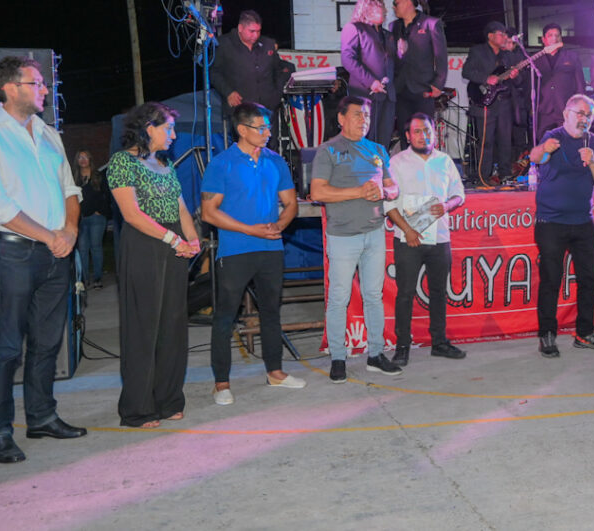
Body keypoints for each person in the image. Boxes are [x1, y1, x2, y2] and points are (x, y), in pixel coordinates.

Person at [0, 55, 87, 463]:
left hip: (55, 253)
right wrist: (52, 236)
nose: (45, 89)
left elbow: (70, 189)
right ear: (10, 88)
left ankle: (42, 416)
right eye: (37, 83)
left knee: (48, 343)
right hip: (11, 253)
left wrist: (70, 232)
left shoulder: (48, 134)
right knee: (7, 347)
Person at [201, 102, 304, 406]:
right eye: (261, 128)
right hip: (236, 251)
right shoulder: (222, 163)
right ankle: (221, 383)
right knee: (226, 316)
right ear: (242, 130)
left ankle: (275, 372)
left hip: (271, 249)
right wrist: (250, 230)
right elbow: (209, 212)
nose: (267, 133)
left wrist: (279, 226)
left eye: (268, 127)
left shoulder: (276, 161)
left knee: (271, 312)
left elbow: (291, 203)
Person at [107, 102, 201, 428]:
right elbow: (132, 214)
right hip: (145, 245)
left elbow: (181, 208)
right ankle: (138, 408)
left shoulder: (165, 164)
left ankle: (168, 400)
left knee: (172, 325)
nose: (173, 135)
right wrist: (175, 240)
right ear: (149, 128)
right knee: (144, 326)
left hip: (173, 244)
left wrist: (193, 240)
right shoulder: (122, 162)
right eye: (169, 128)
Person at [310, 96, 403, 382]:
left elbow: (393, 188)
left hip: (374, 233)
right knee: (339, 298)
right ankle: (338, 358)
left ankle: (376, 354)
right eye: (357, 114)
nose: (364, 120)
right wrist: (359, 192)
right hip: (343, 237)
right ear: (341, 118)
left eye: (367, 115)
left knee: (374, 296)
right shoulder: (328, 150)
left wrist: (384, 192)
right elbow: (318, 192)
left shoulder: (377, 150)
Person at [529, 94, 594, 357]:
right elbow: (535, 157)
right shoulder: (553, 136)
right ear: (566, 113)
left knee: (589, 279)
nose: (584, 119)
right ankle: (547, 335)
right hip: (551, 222)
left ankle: (584, 333)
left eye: (589, 115)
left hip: (582, 221)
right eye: (580, 113)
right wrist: (545, 149)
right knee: (551, 280)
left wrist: (592, 161)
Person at [383, 113, 467, 366]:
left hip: (439, 237)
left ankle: (439, 342)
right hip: (408, 238)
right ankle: (402, 346)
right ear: (408, 136)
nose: (423, 136)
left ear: (434, 133)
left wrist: (448, 205)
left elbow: (459, 194)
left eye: (427, 131)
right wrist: (407, 230)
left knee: (439, 291)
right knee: (406, 293)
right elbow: (389, 203)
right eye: (417, 131)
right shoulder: (396, 163)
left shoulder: (444, 161)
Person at [210, 10, 295, 149]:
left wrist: (277, 92)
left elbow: (278, 68)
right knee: (244, 149)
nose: (255, 35)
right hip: (241, 110)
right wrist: (228, 92)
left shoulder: (267, 44)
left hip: (267, 108)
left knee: (269, 148)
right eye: (251, 31)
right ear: (240, 28)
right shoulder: (224, 44)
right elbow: (214, 72)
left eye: (258, 31)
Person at [462, 21, 519, 184]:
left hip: (504, 103)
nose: (504, 37)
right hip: (485, 102)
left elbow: (519, 81)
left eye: (505, 34)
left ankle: (505, 174)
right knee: (486, 142)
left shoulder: (507, 55)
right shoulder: (478, 51)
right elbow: (466, 72)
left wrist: (515, 75)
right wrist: (486, 78)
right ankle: (483, 177)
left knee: (505, 140)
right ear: (490, 36)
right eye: (501, 34)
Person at [390, 0, 447, 145]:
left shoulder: (431, 24)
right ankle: (406, 160)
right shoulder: (393, 26)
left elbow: (441, 57)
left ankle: (425, 160)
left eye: (396, 3)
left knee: (424, 133)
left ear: (408, 3)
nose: (393, 7)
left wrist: (438, 84)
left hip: (423, 88)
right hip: (401, 88)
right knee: (404, 134)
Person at [340, 0, 397, 147]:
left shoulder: (388, 35)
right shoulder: (354, 28)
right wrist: (371, 82)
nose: (385, 11)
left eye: (383, 7)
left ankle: (380, 163)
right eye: (380, 7)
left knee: (383, 141)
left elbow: (393, 63)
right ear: (368, 9)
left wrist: (402, 52)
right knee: (364, 140)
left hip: (388, 96)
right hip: (365, 95)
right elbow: (347, 59)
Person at [532, 23, 586, 139]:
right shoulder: (536, 59)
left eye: (557, 35)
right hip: (544, 110)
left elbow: (580, 84)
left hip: (566, 109)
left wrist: (579, 106)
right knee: (543, 142)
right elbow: (529, 85)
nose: (554, 38)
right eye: (550, 35)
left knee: (568, 141)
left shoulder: (571, 56)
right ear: (544, 39)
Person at [72, 150, 110, 289]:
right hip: (80, 218)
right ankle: (84, 279)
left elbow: (107, 195)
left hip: (96, 218)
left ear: (90, 159)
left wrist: (101, 211)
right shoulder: (74, 178)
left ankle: (97, 278)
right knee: (82, 249)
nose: (83, 160)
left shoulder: (98, 176)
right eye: (80, 157)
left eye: (85, 157)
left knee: (96, 247)